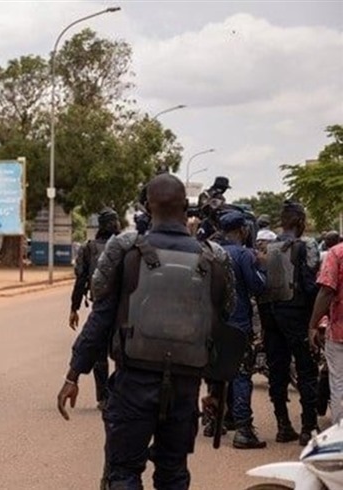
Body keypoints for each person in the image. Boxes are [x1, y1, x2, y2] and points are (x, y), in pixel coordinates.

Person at [57, 174, 236, 489]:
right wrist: (217, 392)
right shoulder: (213, 257)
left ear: (147, 206)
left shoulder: (126, 251)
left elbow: (99, 319)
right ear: (186, 206)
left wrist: (73, 375)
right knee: (173, 473)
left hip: (132, 384)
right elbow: (221, 327)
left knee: (123, 472)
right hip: (185, 388)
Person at [257, 200, 320, 446]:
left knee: (277, 370)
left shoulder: (266, 247)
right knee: (306, 370)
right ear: (300, 222)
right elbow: (310, 285)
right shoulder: (306, 247)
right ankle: (308, 427)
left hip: (270, 316)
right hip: (296, 315)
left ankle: (283, 425)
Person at [207, 211, 268, 449]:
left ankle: (214, 422)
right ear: (242, 230)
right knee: (242, 373)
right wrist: (263, 269)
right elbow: (257, 286)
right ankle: (243, 429)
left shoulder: (211, 253)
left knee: (215, 371)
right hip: (238, 323)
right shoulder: (244, 254)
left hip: (213, 323)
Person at [69, 208, 120, 410]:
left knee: (100, 355)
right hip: (121, 309)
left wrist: (73, 309)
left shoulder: (89, 248)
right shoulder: (124, 247)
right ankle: (111, 396)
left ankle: (104, 397)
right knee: (120, 354)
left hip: (101, 307)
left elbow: (80, 281)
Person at [309, 242, 343, 423]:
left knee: (338, 383)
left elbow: (327, 291)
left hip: (339, 331)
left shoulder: (336, 253)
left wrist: (313, 324)